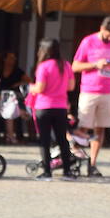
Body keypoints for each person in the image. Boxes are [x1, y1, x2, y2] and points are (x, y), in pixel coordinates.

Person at [71, 16, 110, 177]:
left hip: (108, 91)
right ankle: (75, 158)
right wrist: (96, 64)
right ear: (101, 28)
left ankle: (92, 164)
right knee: (82, 128)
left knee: (100, 129)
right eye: (107, 35)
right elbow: (75, 66)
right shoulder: (88, 41)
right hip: (89, 90)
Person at [30, 37, 74, 182]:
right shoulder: (66, 65)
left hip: (44, 106)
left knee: (45, 140)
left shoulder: (43, 66)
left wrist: (31, 88)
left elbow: (40, 88)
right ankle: (67, 171)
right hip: (60, 107)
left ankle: (47, 172)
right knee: (62, 140)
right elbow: (71, 86)